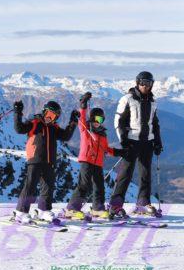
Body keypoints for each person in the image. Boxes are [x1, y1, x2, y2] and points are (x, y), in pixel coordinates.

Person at [13, 100, 79, 223]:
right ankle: (21, 212)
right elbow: (19, 129)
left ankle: (43, 210)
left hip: (49, 161)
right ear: (44, 112)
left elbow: (66, 136)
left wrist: (73, 121)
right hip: (35, 159)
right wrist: (18, 112)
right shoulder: (35, 123)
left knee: (48, 187)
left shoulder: (54, 127)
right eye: (49, 114)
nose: (50, 117)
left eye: (54, 116)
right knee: (30, 186)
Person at [109, 71, 163, 218]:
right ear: (137, 82)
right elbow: (118, 121)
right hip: (131, 142)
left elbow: (155, 123)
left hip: (148, 143)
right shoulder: (127, 99)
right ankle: (115, 205)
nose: (146, 86)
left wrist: (158, 141)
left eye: (149, 83)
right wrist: (123, 141)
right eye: (143, 82)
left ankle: (143, 203)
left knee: (146, 174)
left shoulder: (153, 102)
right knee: (125, 174)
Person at [66, 92, 127, 220]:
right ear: (92, 118)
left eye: (101, 120)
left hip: (98, 163)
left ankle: (97, 208)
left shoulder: (102, 135)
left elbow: (106, 149)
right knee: (84, 184)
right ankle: (72, 209)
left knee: (99, 186)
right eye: (96, 119)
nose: (98, 122)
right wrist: (83, 104)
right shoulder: (85, 130)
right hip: (87, 161)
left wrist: (120, 152)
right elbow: (81, 118)